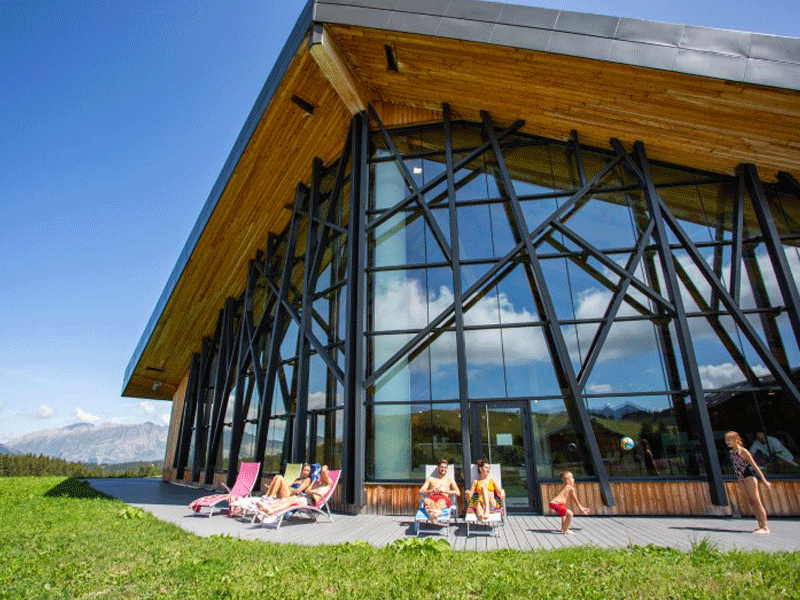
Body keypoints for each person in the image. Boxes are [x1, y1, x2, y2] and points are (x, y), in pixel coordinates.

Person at [726, 431, 772, 534]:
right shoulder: (732, 453)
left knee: (756, 500)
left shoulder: (744, 451)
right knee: (751, 502)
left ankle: (765, 527)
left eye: (730, 440)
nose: (728, 442)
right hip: (741, 478)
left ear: (736, 440)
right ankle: (760, 524)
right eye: (727, 440)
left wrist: (764, 481)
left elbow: (755, 467)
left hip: (749, 477)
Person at [259, 465, 332, 518]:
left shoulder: (327, 485)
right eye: (320, 474)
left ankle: (271, 510)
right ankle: (268, 507)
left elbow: (324, 470)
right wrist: (314, 485)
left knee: (291, 499)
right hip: (305, 497)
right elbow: (307, 491)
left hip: (310, 501)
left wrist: (312, 491)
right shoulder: (315, 482)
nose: (321, 475)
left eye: (322, 474)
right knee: (285, 499)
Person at [419, 458, 460, 523]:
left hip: (443, 499)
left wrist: (447, 492)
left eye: (445, 467)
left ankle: (431, 514)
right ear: (438, 467)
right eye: (441, 467)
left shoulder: (449, 480)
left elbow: (458, 492)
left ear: (447, 469)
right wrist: (430, 491)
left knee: (440, 502)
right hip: (432, 499)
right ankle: (436, 514)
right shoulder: (431, 479)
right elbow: (421, 490)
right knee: (426, 500)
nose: (443, 469)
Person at [465, 459, 505, 525]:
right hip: (480, 504)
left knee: (484, 489)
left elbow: (499, 491)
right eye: (486, 467)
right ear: (480, 469)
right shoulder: (476, 482)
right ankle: (482, 517)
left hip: (491, 504)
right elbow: (470, 498)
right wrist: (468, 493)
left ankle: (486, 511)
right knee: (477, 503)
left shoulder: (492, 481)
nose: (488, 470)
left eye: (488, 468)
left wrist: (502, 491)